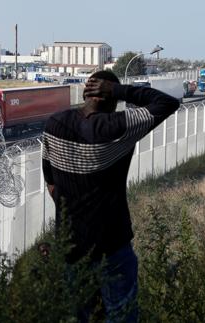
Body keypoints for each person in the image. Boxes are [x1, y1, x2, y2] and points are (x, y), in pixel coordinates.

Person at [41, 70, 180, 322]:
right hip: (112, 248)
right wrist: (118, 89)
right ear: (110, 98)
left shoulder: (54, 125)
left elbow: (51, 184)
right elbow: (167, 103)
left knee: (84, 317)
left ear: (85, 93)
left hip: (72, 249)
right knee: (121, 316)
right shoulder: (117, 127)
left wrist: (75, 210)